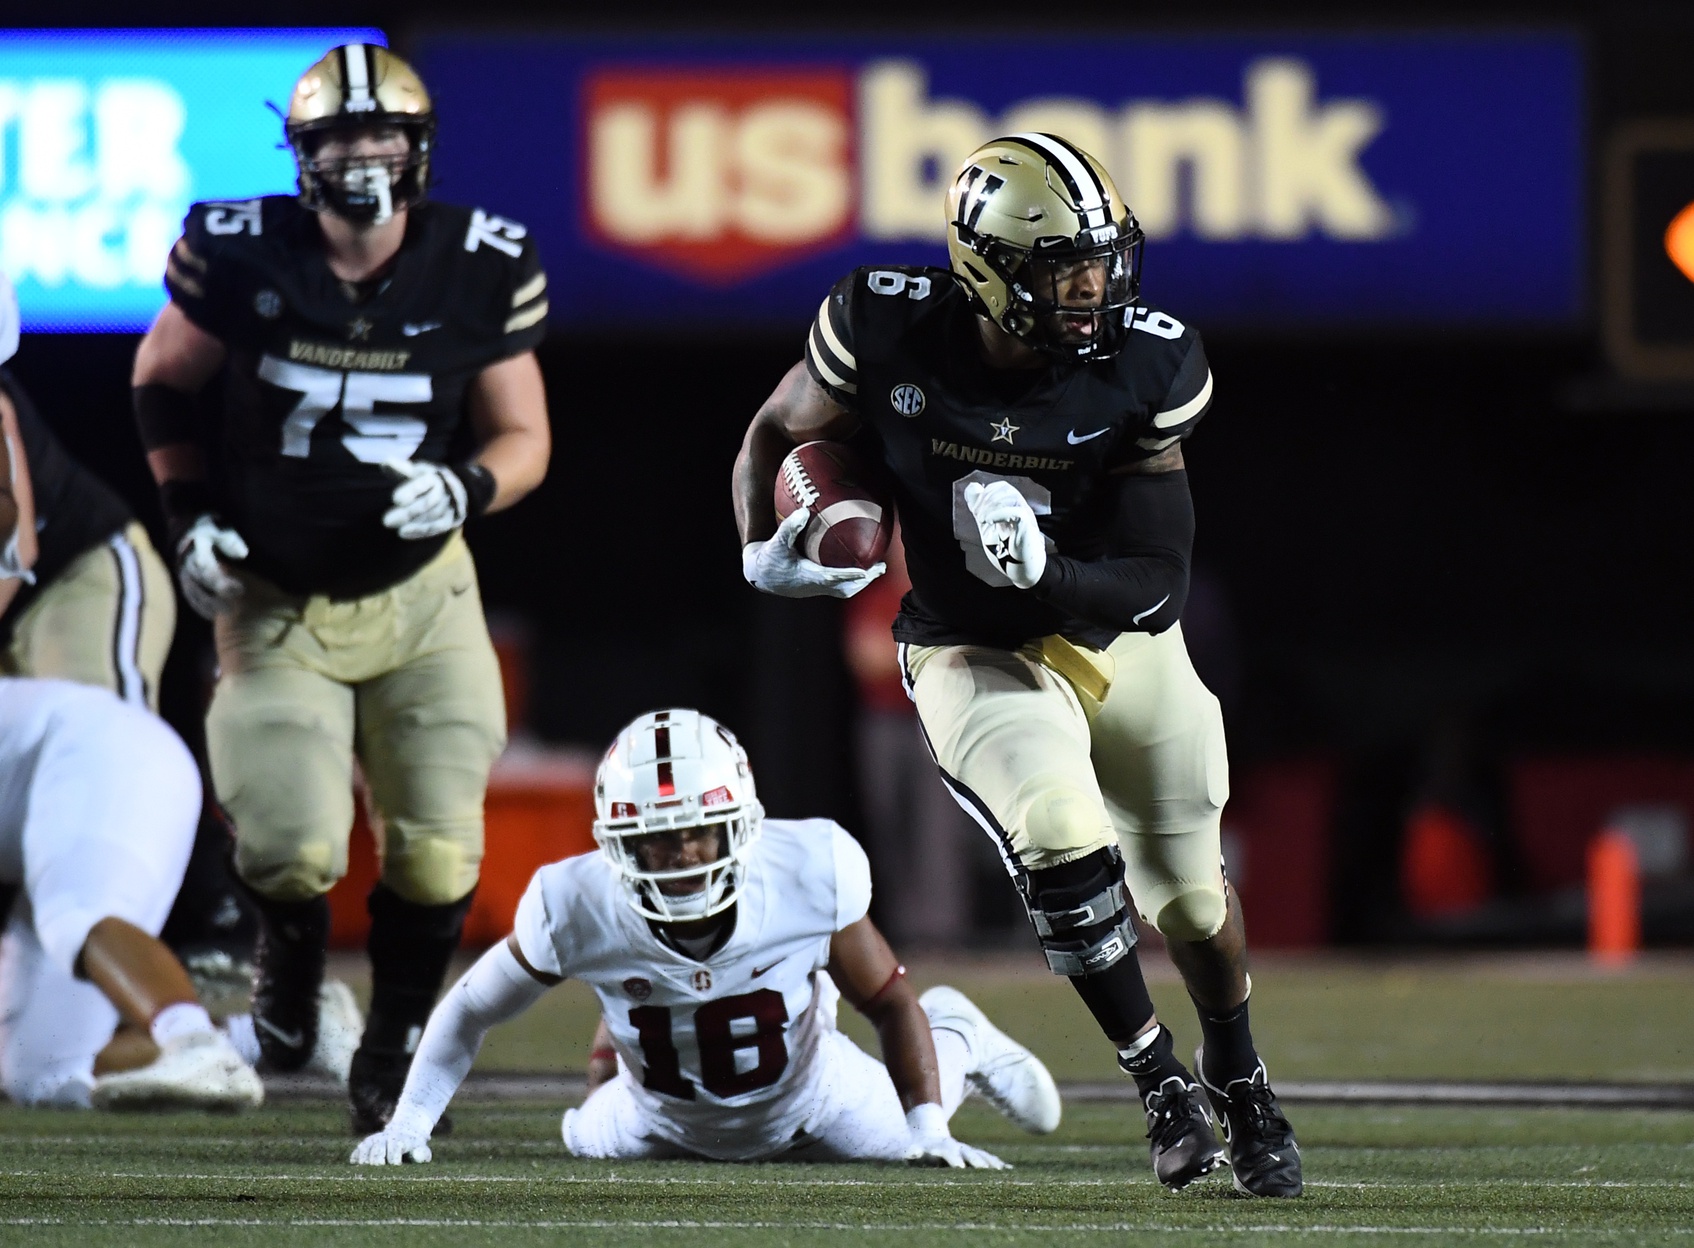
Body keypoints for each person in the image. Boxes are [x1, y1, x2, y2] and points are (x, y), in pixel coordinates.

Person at [731, 133, 1300, 1197]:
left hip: (1118, 641)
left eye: (1102, 262)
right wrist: (758, 551)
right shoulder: (886, 324)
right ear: (988, 269)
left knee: (1188, 900)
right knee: (1057, 833)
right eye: (1063, 269)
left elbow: (1157, 581)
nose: (1094, 290)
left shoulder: (1147, 360)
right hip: (969, 647)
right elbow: (773, 431)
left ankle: (1237, 1067)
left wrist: (1048, 572)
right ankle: (1158, 1084)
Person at [129, 42, 552, 1133]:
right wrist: (190, 518)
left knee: (439, 841)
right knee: (290, 843)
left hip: (424, 595)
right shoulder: (240, 249)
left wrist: (466, 487)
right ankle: (286, 969)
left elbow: (524, 436)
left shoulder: (478, 261)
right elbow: (160, 381)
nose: (361, 155)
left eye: (382, 135)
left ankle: (397, 1052)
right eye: (336, 139)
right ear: (300, 154)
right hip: (273, 597)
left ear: (419, 150)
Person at [350, 709, 1060, 1167]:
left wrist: (931, 1126)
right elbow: (471, 1006)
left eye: (697, 832)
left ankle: (962, 1034)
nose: (684, 855)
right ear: (616, 844)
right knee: (584, 1133)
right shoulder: (574, 901)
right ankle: (618, 1060)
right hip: (656, 1116)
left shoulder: (809, 868)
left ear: (742, 824)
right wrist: (409, 1123)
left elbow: (887, 1001)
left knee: (909, 1145)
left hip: (814, 1095)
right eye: (657, 840)